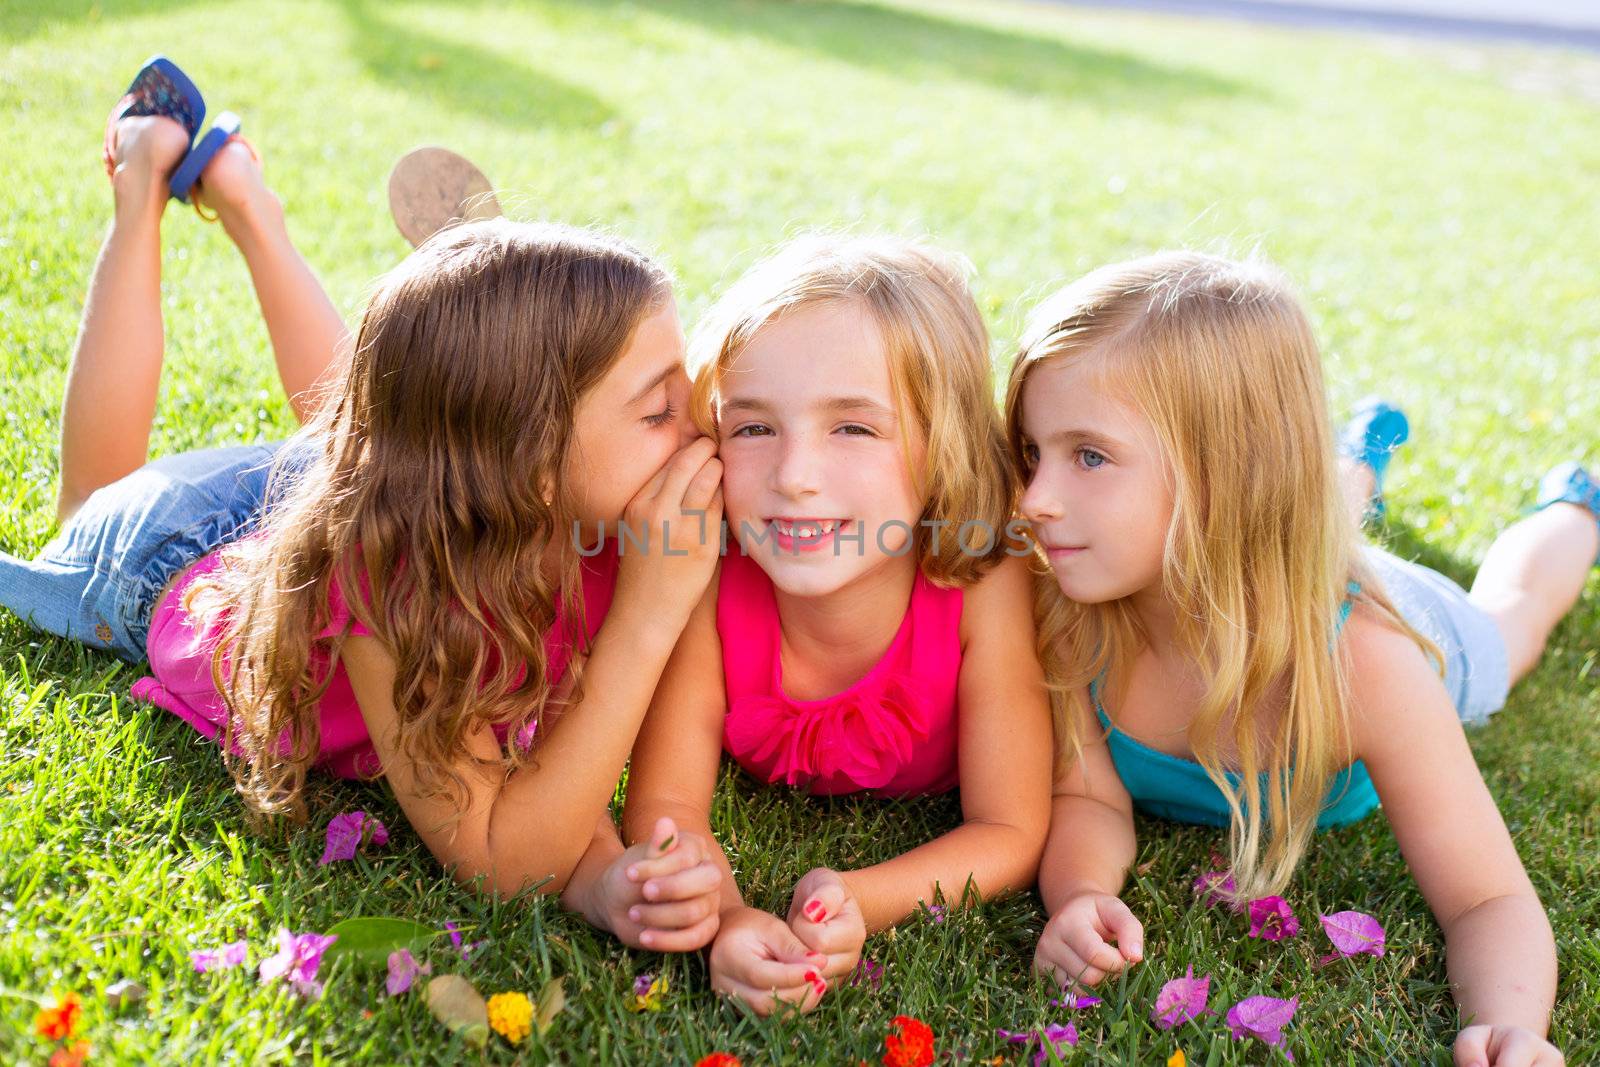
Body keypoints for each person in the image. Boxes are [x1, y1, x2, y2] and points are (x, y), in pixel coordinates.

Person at [1011, 251, 1581, 1065]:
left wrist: (1512, 1024)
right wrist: (1081, 894)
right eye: (1033, 451)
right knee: (1333, 510)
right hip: (1265, 557)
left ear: (1225, 474)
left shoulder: (1372, 667)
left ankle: (1572, 511)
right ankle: (1359, 457)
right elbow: (1091, 798)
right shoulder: (1075, 609)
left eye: (1089, 455)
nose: (1034, 497)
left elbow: (1488, 896)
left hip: (1406, 620)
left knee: (1512, 623)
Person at [624, 236, 1053, 1015]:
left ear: (942, 444)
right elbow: (667, 808)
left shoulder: (985, 583)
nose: (794, 476)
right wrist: (722, 915)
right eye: (754, 428)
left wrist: (857, 895)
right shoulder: (711, 579)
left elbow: (1011, 827)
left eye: (852, 428)